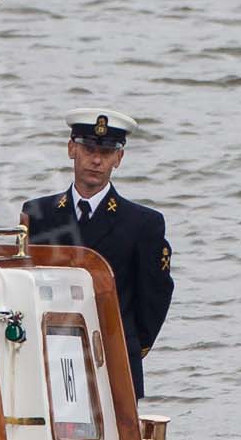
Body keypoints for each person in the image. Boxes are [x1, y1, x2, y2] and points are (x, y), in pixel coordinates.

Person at [20, 109, 174, 398]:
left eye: (106, 151)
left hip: (111, 356)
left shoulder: (142, 223)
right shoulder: (38, 214)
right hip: (48, 353)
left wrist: (128, 345)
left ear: (119, 158)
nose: (96, 160)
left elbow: (155, 297)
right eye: (89, 148)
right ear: (71, 149)